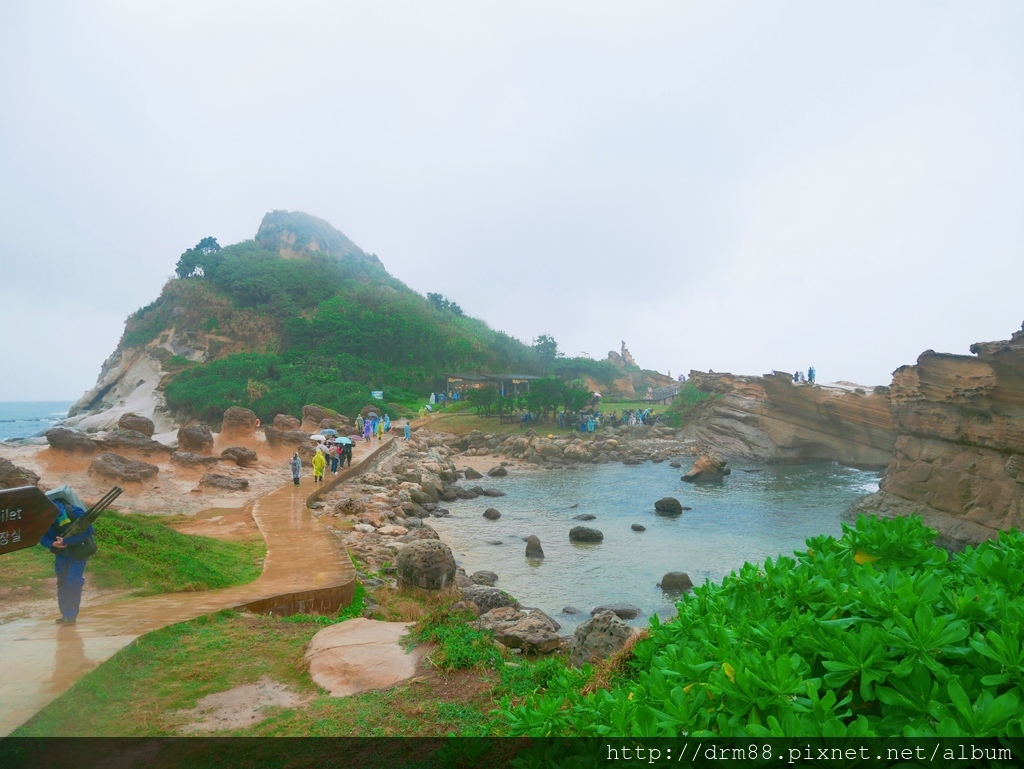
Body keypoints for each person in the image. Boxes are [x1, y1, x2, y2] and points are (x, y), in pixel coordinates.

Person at [40, 499, 95, 624]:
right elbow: (41, 537)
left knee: (73, 580)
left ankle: (71, 615)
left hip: (79, 551)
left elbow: (89, 530)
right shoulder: (41, 516)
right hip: (61, 554)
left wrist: (67, 541)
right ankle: (65, 614)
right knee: (62, 583)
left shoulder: (74, 511)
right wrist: (52, 544)